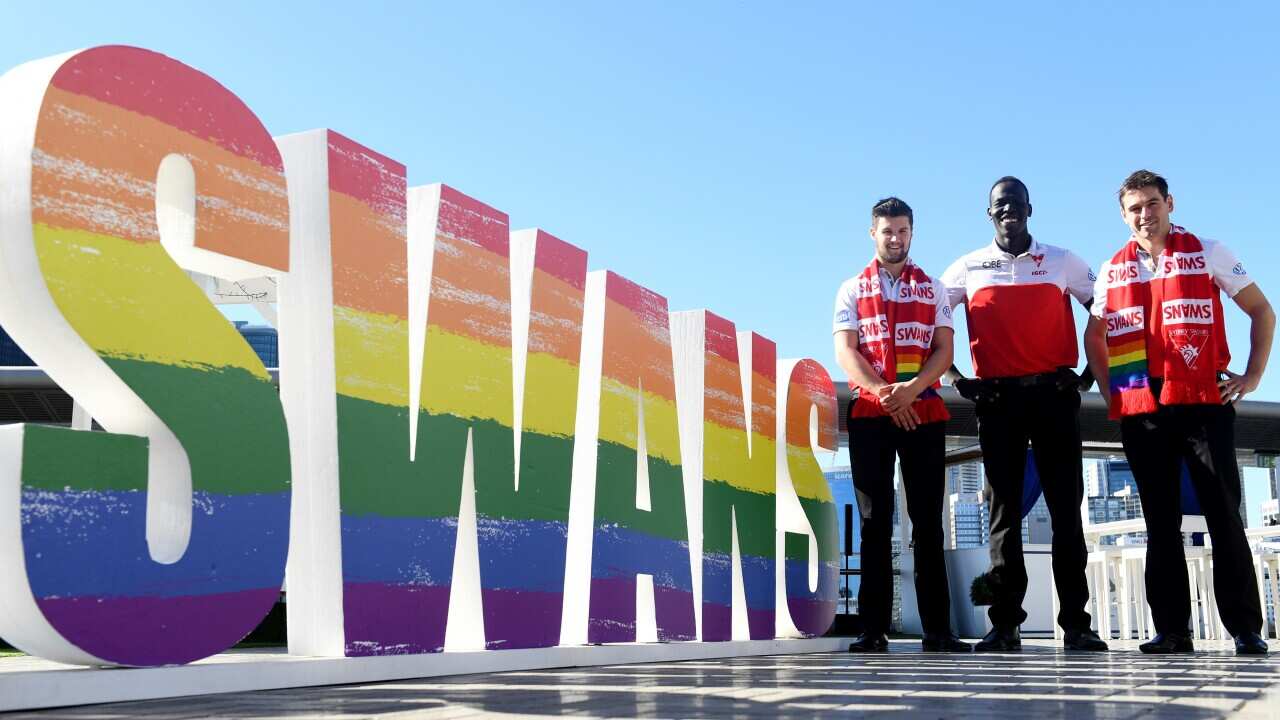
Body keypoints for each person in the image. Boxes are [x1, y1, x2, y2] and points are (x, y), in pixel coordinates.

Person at [1084, 170, 1275, 655]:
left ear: (1169, 203)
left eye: (1152, 203)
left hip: (1202, 399)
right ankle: (1172, 630)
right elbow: (1094, 337)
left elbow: (1262, 311)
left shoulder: (1209, 251)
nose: (1145, 215)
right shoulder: (1111, 269)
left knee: (1223, 513)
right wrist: (1113, 396)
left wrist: (1251, 377)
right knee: (1159, 520)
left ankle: (1245, 629)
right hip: (1141, 405)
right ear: (1123, 215)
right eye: (1134, 208)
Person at [941, 177, 1108, 652]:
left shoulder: (1063, 260)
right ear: (988, 214)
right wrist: (956, 379)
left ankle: (1077, 623)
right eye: (999, 205)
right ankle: (1005, 624)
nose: (1008, 210)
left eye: (1015, 203)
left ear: (1030, 209)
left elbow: (1107, 313)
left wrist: (1088, 375)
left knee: (1065, 512)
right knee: (1002, 517)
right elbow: (930, 324)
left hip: (1054, 397)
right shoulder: (967, 267)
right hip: (997, 402)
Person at [833, 197, 970, 653]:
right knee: (875, 521)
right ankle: (872, 629)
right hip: (872, 412)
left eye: (903, 231)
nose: (896, 238)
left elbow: (944, 351)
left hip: (923, 409)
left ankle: (938, 629)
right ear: (873, 233)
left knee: (928, 520)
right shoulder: (851, 289)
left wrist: (910, 390)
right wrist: (886, 394)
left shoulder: (932, 288)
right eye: (887, 231)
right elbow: (847, 353)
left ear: (913, 233)